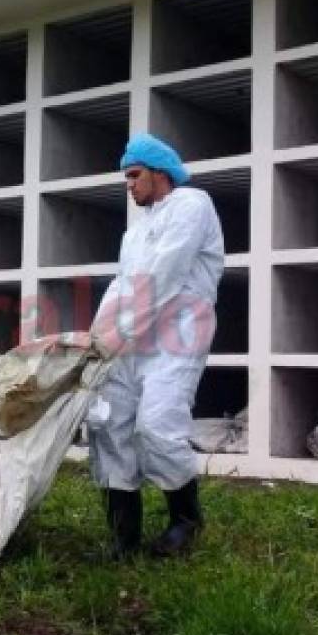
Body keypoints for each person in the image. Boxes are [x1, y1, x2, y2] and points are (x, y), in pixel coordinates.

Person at [88, 133, 224, 559]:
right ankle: (124, 538)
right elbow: (122, 284)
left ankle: (187, 520)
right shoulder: (136, 230)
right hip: (131, 337)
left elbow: (165, 275)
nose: (128, 185)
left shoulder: (192, 204)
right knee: (111, 424)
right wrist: (95, 338)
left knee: (158, 424)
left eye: (134, 175)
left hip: (178, 332)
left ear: (159, 172)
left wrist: (118, 333)